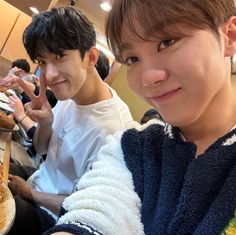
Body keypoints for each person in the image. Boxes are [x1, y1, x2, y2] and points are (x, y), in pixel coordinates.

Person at [45, 0, 236, 235]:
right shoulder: (132, 147)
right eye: (132, 59)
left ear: (230, 36)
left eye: (167, 41)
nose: (148, 77)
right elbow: (98, 211)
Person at [7, 6, 133, 235]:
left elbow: (82, 206)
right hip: (36, 181)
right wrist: (45, 122)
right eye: (43, 62)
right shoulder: (70, 95)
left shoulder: (113, 131)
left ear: (91, 57)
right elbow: (42, 148)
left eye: (60, 56)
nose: (50, 74)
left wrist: (28, 193)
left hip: (51, 216)